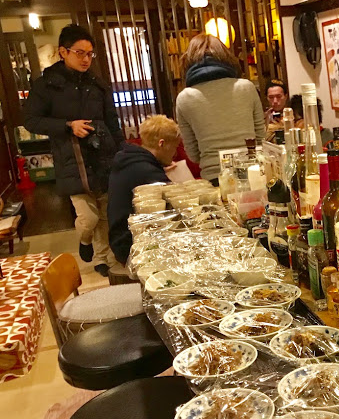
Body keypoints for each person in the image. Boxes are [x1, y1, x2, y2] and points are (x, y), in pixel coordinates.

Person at [25, 24, 123, 276]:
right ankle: (85, 239)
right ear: (63, 52)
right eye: (80, 53)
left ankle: (102, 259)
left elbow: (112, 121)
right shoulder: (46, 85)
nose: (86, 59)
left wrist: (121, 152)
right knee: (88, 218)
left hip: (102, 155)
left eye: (90, 54)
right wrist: (68, 126)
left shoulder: (97, 84)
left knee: (104, 213)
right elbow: (31, 120)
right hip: (71, 159)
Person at [175, 34, 265, 184]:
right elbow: (261, 138)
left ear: (188, 61)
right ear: (225, 57)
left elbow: (193, 155)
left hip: (214, 178)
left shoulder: (184, 98)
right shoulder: (246, 87)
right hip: (252, 175)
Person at [107, 115, 177, 265]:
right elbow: (175, 207)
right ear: (162, 144)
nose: (175, 153)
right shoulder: (148, 172)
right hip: (132, 246)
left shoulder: (130, 160)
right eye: (175, 147)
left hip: (119, 239)